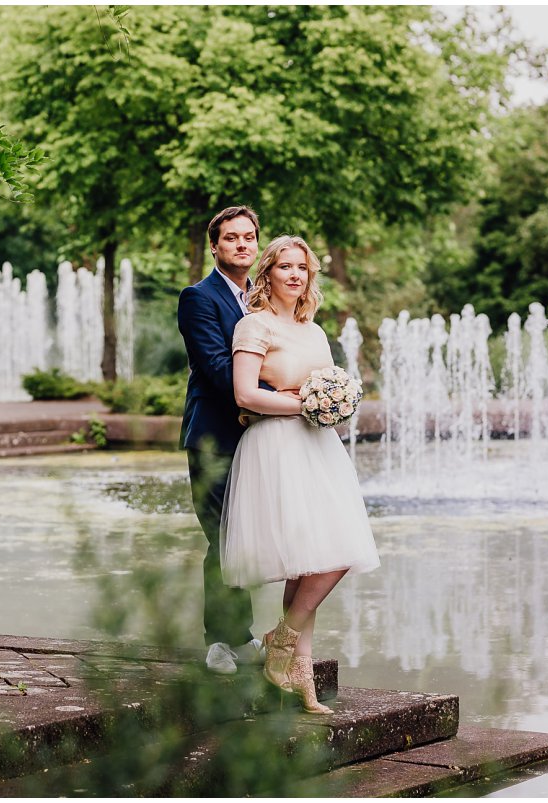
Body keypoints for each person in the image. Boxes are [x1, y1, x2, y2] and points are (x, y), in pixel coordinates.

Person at [220, 234, 379, 713]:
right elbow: (245, 395)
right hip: (277, 445)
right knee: (308, 557)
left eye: (302, 268)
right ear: (267, 273)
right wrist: (300, 404)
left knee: (331, 552)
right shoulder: (253, 327)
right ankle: (293, 661)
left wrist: (333, 404)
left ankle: (286, 649)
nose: (294, 274)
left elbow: (324, 384)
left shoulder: (314, 330)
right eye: (285, 266)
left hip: (318, 446)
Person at [177, 205, 265, 674]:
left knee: (244, 538)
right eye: (231, 238)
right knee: (222, 537)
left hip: (257, 437)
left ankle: (242, 634)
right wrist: (281, 395)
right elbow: (216, 369)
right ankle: (221, 642)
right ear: (215, 246)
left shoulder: (263, 299)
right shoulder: (198, 298)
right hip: (213, 437)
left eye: (249, 237)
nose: (242, 245)